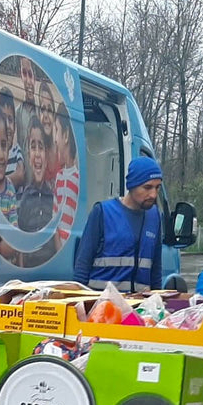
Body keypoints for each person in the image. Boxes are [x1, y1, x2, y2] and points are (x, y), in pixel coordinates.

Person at [74, 157, 165, 290]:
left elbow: (156, 270)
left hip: (138, 306)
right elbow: (82, 265)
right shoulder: (103, 212)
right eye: (147, 187)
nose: (153, 194)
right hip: (102, 304)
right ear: (132, 185)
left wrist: (158, 302)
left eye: (157, 188)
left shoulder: (155, 216)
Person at [51, 101, 79, 253]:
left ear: (66, 135)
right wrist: (59, 249)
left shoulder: (78, 179)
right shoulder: (59, 177)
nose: (55, 138)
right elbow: (55, 219)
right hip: (60, 251)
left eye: (57, 130)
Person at [0, 87, 25, 190]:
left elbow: (20, 175)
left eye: (10, 120)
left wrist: (1, 182)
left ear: (15, 125)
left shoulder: (16, 150)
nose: (8, 125)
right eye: (4, 119)